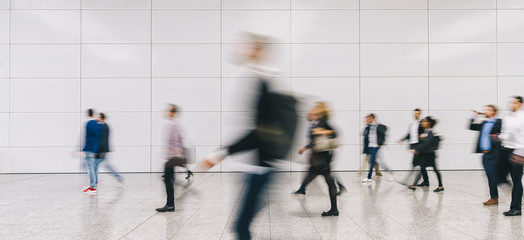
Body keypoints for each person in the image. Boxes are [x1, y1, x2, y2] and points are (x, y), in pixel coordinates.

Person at [196, 34, 299, 239]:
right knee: (242, 224)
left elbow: (260, 132)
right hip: (254, 165)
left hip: (259, 166)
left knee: (241, 226)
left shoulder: (265, 84)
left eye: (250, 47)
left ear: (260, 51)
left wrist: (220, 154)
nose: (243, 51)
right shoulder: (256, 79)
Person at [293, 102, 343, 206]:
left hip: (322, 158)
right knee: (327, 180)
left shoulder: (323, 121)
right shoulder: (316, 122)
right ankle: (334, 208)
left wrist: (322, 132)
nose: (313, 108)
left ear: (321, 111)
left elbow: (335, 133)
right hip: (318, 157)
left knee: (328, 181)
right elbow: (315, 141)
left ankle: (334, 207)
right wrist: (306, 147)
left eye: (317, 107)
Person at [469, 105, 502, 205]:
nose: (485, 111)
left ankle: (517, 193)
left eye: (488, 109)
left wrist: (498, 136)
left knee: (502, 177)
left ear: (493, 112)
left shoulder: (500, 122)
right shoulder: (484, 123)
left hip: (497, 153)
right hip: (485, 154)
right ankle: (494, 197)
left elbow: (507, 132)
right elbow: (471, 127)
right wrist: (475, 116)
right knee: (490, 176)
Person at [156, 104, 186, 212]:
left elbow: (168, 141)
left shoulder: (169, 124)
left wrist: (165, 157)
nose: (165, 112)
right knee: (170, 179)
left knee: (167, 180)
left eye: (167, 110)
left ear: (171, 112)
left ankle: (170, 204)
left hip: (170, 157)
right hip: (175, 156)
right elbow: (181, 140)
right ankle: (170, 203)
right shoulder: (177, 123)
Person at [499, 96, 524, 216]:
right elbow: (505, 133)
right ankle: (514, 197)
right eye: (510, 102)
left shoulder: (523, 117)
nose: (511, 104)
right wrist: (500, 137)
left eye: (514, 102)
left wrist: (521, 153)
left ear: (520, 104)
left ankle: (516, 208)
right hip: (506, 149)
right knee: (499, 176)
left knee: (516, 180)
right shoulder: (507, 117)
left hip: (518, 151)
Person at [409, 116, 444, 192]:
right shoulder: (426, 132)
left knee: (434, 170)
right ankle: (424, 182)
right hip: (426, 154)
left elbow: (426, 143)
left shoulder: (430, 132)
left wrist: (417, 149)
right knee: (422, 168)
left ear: (428, 123)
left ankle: (440, 186)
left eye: (424, 121)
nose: (422, 123)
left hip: (430, 155)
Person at [95, 113, 123, 184]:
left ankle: (118, 177)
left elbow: (103, 140)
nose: (97, 118)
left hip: (102, 150)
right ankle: (118, 177)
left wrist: (100, 151)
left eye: (98, 117)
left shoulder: (103, 127)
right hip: (103, 149)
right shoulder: (105, 126)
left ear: (101, 118)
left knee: (101, 165)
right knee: (102, 165)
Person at [361, 114, 387, 182]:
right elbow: (367, 136)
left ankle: (369, 177)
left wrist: (381, 143)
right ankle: (372, 176)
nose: (367, 120)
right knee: (373, 162)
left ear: (372, 119)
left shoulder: (377, 125)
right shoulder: (369, 127)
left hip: (375, 146)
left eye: (368, 119)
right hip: (370, 146)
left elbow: (383, 131)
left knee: (372, 162)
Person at [82, 109, 102, 193]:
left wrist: (84, 149)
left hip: (89, 149)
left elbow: (87, 138)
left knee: (90, 168)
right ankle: (93, 185)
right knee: (94, 167)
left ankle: (93, 187)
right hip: (95, 149)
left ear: (88, 114)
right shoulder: (97, 123)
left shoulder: (88, 124)